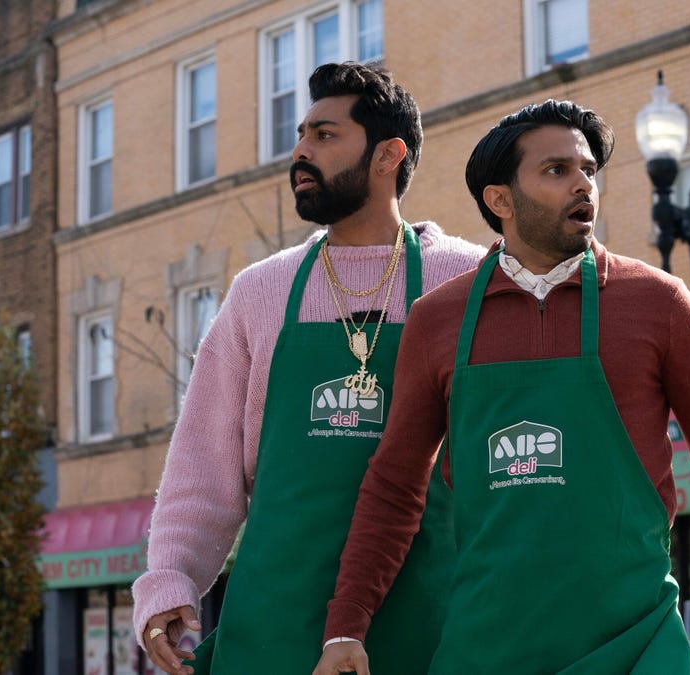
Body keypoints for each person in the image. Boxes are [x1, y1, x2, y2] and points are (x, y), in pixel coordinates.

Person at [313, 100, 690, 674]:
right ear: (500, 200)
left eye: (589, 170)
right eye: (557, 170)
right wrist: (345, 625)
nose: (583, 185)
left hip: (637, 643)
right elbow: (395, 486)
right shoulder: (437, 320)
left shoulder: (660, 303)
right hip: (488, 649)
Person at [132, 62, 484, 674]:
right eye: (301, 135)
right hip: (276, 630)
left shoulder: (469, 282)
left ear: (388, 155)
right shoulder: (260, 292)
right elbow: (204, 464)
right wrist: (169, 580)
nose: (300, 151)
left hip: (433, 628)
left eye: (324, 135)